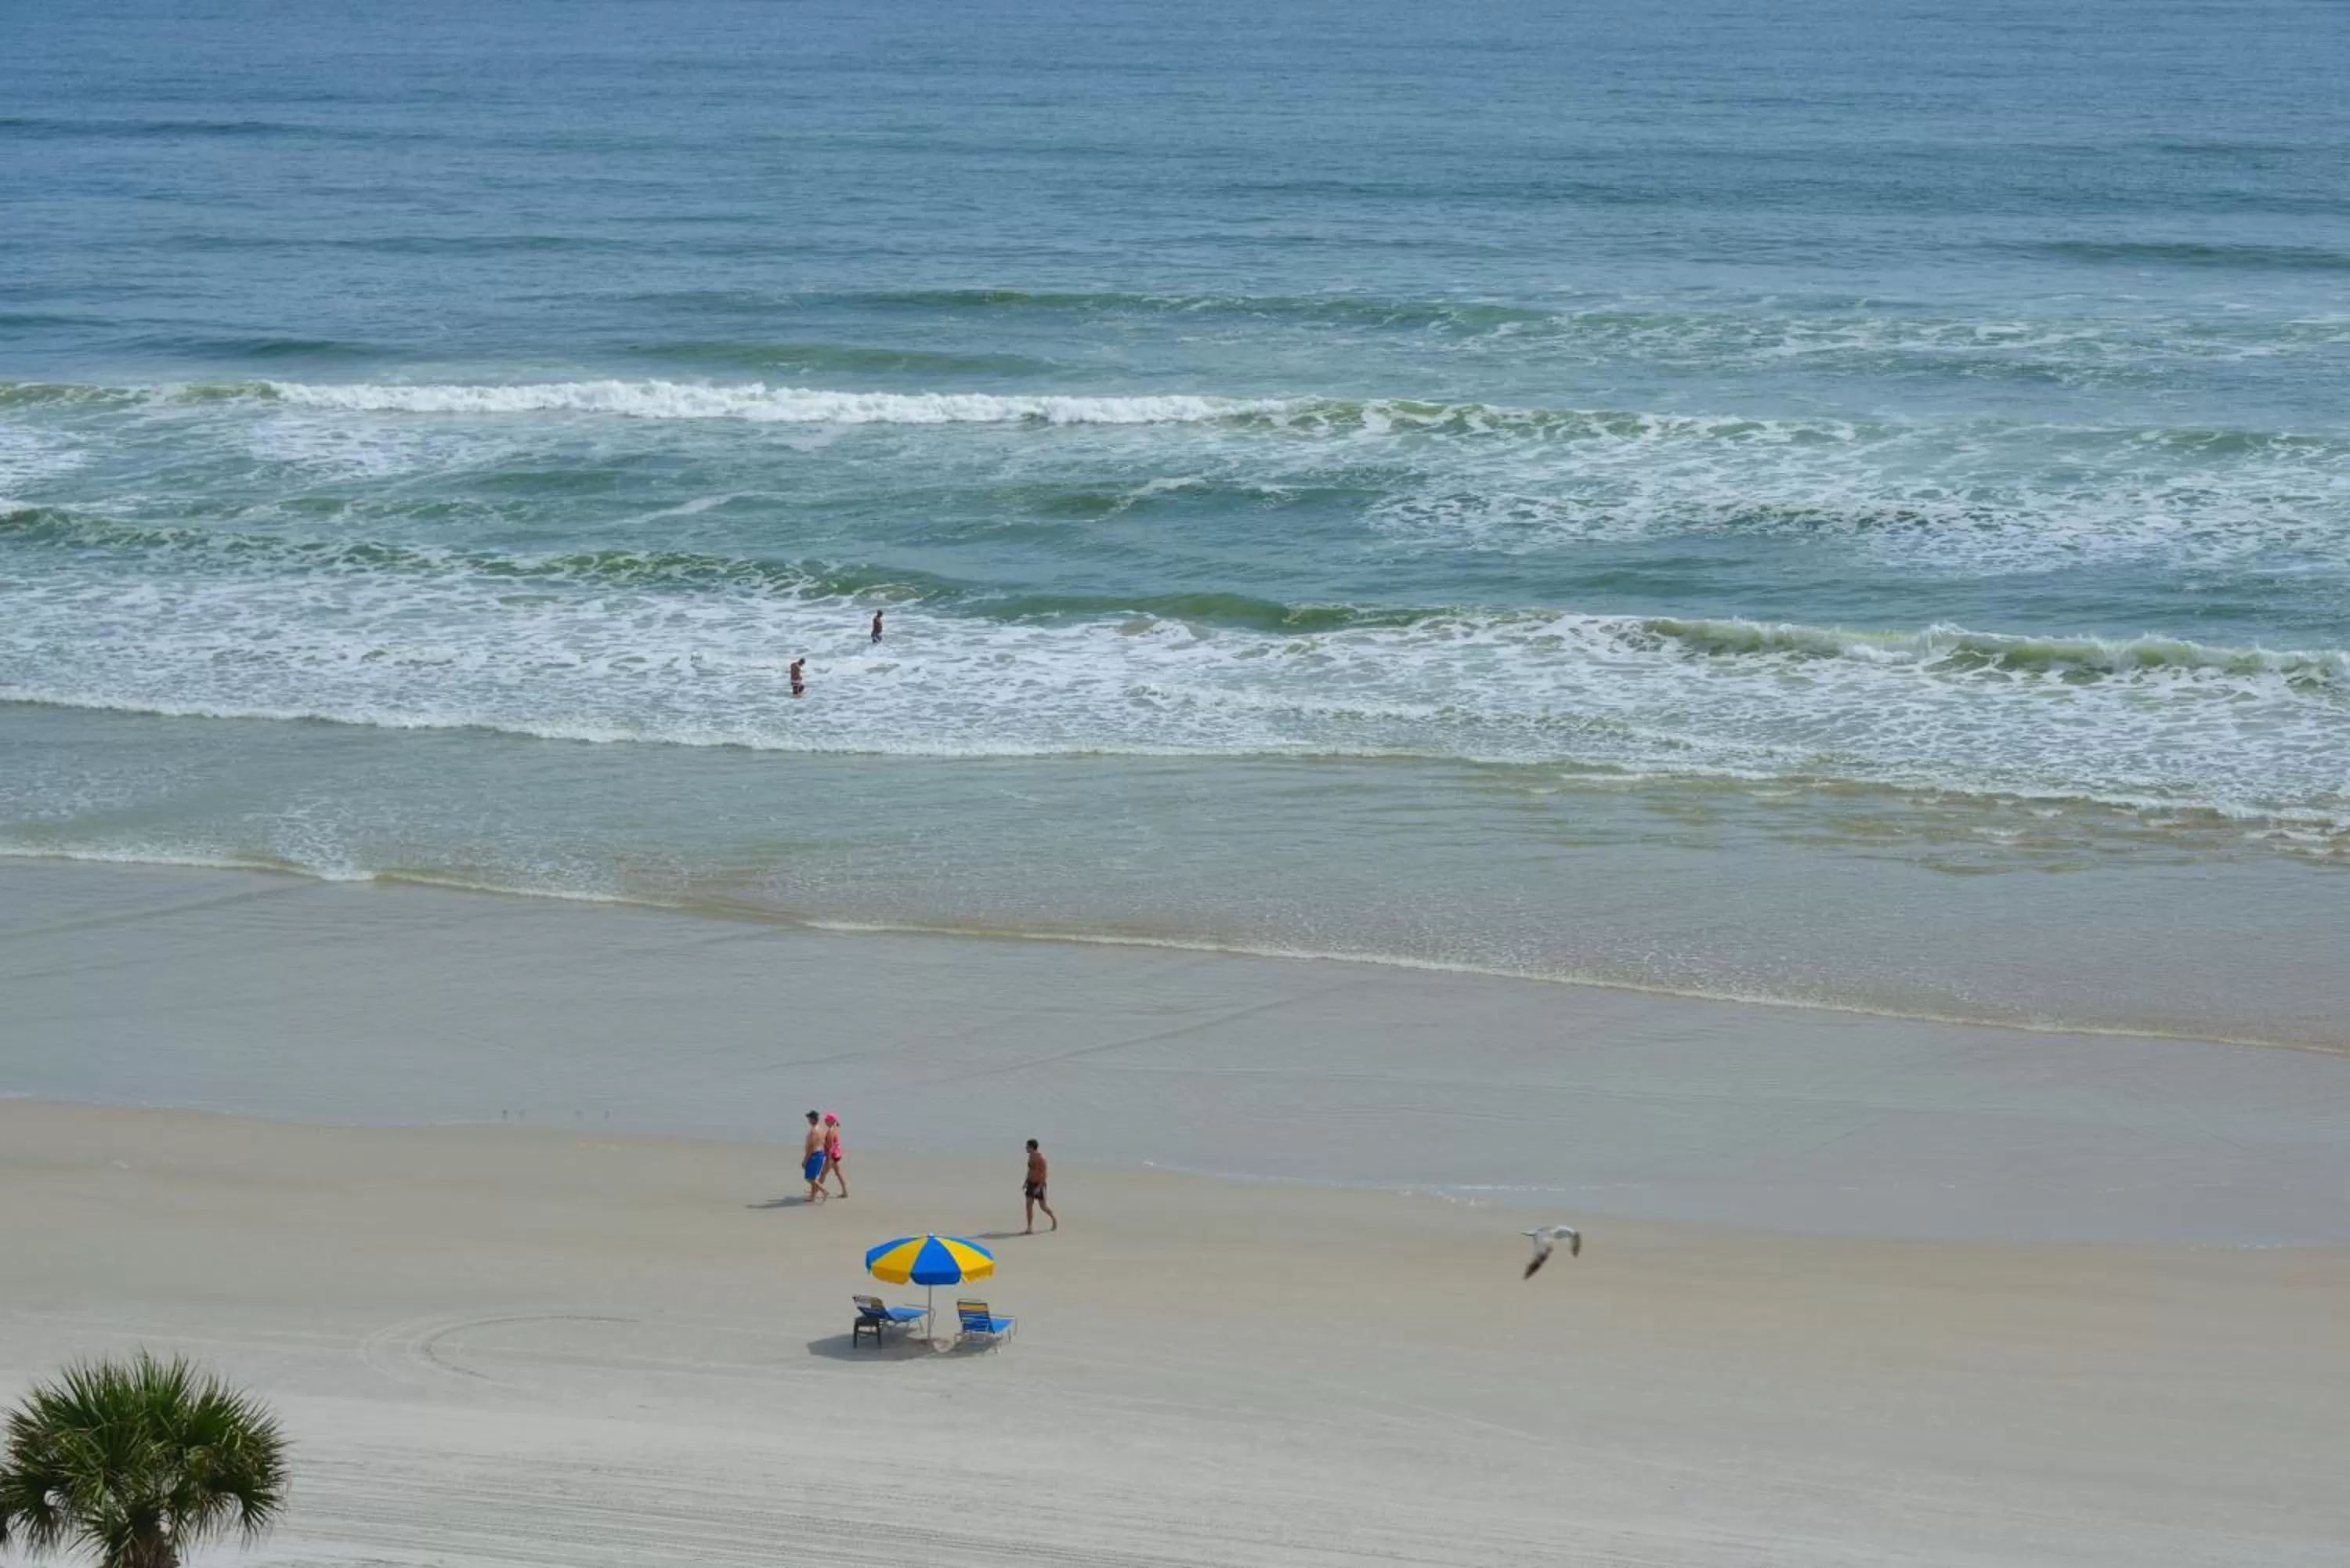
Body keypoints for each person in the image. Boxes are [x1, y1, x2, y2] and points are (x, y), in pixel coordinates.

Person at [1021, 1138, 1058, 1234]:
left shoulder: (1041, 1158)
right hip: (1031, 1183)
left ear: (1032, 1147)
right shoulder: (1030, 1156)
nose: (1026, 1148)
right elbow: (1030, 1170)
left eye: (1027, 1146)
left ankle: (1054, 1218)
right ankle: (1029, 1227)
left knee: (1043, 1207)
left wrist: (1039, 1187)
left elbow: (1044, 1174)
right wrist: (1026, 1182)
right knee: (1028, 1205)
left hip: (1039, 1184)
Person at [801, 1110, 828, 1203]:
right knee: (814, 1177)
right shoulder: (820, 1129)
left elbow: (811, 1147)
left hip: (814, 1155)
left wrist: (805, 1160)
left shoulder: (814, 1131)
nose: (808, 1120)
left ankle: (824, 1191)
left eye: (809, 1118)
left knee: (809, 1178)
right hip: (820, 1153)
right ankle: (812, 1197)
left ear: (813, 1119)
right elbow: (824, 1142)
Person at [823, 1111, 848, 1198]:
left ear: (832, 1121)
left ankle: (815, 1191)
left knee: (823, 1174)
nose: (825, 1121)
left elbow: (830, 1147)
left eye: (827, 1120)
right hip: (836, 1155)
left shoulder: (831, 1131)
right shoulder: (835, 1129)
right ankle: (845, 1192)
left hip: (832, 1156)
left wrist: (828, 1159)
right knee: (838, 1173)